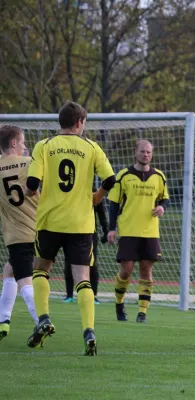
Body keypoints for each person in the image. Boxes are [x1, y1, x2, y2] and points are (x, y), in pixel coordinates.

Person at [25, 101, 116, 356]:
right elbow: (110, 179)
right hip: (80, 223)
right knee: (82, 279)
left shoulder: (44, 145)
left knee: (41, 269)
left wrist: (33, 191)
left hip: (50, 221)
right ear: (79, 123)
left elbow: (32, 182)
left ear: (61, 123)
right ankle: (88, 331)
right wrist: (97, 196)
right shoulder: (91, 147)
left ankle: (43, 318)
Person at [107, 140, 169, 324]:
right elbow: (114, 204)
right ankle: (119, 303)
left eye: (149, 152)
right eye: (142, 151)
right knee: (126, 271)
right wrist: (111, 228)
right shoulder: (124, 175)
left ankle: (142, 312)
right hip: (128, 230)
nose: (146, 155)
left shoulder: (159, 176)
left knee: (146, 270)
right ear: (136, 152)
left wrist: (162, 208)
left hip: (150, 232)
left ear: (152, 154)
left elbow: (164, 199)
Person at [0, 125, 39, 341]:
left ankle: (41, 320)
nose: (24, 146)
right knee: (10, 270)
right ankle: (3, 321)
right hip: (40, 229)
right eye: (22, 142)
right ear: (13, 143)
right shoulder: (30, 164)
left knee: (25, 279)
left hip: (17, 233)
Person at [63, 191, 109, 305]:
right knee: (69, 262)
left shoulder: (95, 191)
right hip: (70, 230)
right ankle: (69, 295)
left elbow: (101, 213)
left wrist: (106, 230)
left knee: (92, 263)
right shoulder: (71, 190)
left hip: (89, 233)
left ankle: (94, 295)